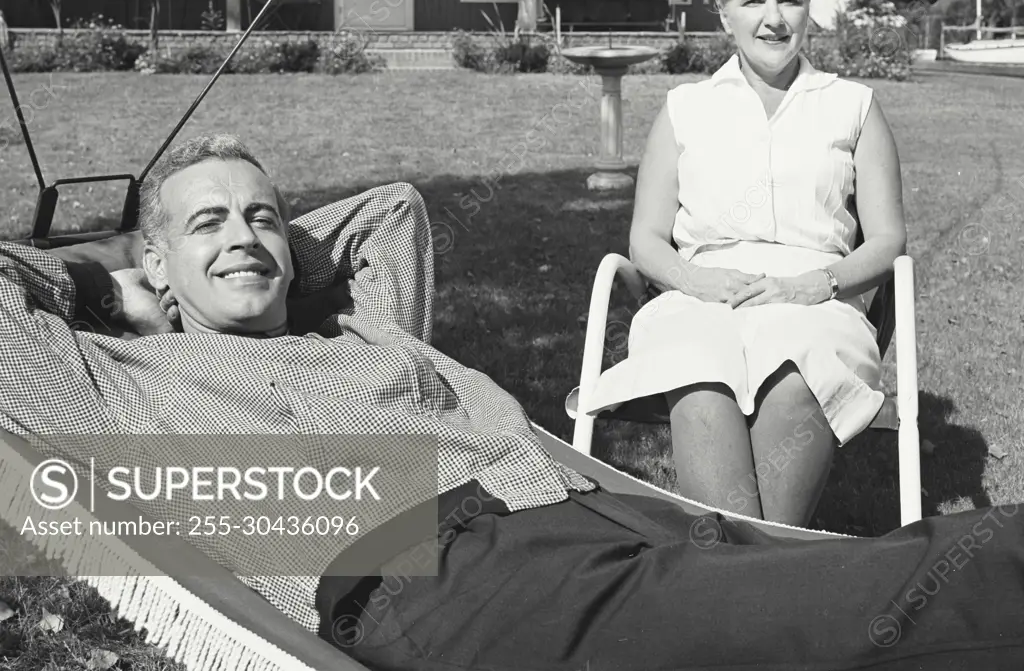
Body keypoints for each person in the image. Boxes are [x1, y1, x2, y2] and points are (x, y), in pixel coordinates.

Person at [2, 134, 1024, 671]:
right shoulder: (122, 380)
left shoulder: (361, 325)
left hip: (571, 516)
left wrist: (244, 248)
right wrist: (109, 283)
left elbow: (388, 211)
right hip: (430, 573)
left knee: (849, 585)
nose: (248, 236)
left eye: (265, 217)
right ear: (155, 264)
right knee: (866, 613)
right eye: (209, 224)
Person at [582, 0, 906, 528]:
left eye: (790, 0)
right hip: (701, 292)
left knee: (797, 369)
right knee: (697, 364)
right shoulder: (687, 107)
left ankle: (739, 572)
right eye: (754, 1)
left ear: (810, 8)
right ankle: (760, 574)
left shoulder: (852, 105)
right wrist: (696, 281)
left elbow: (888, 241)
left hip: (816, 299)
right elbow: (645, 240)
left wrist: (817, 284)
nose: (774, 18)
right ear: (724, 14)